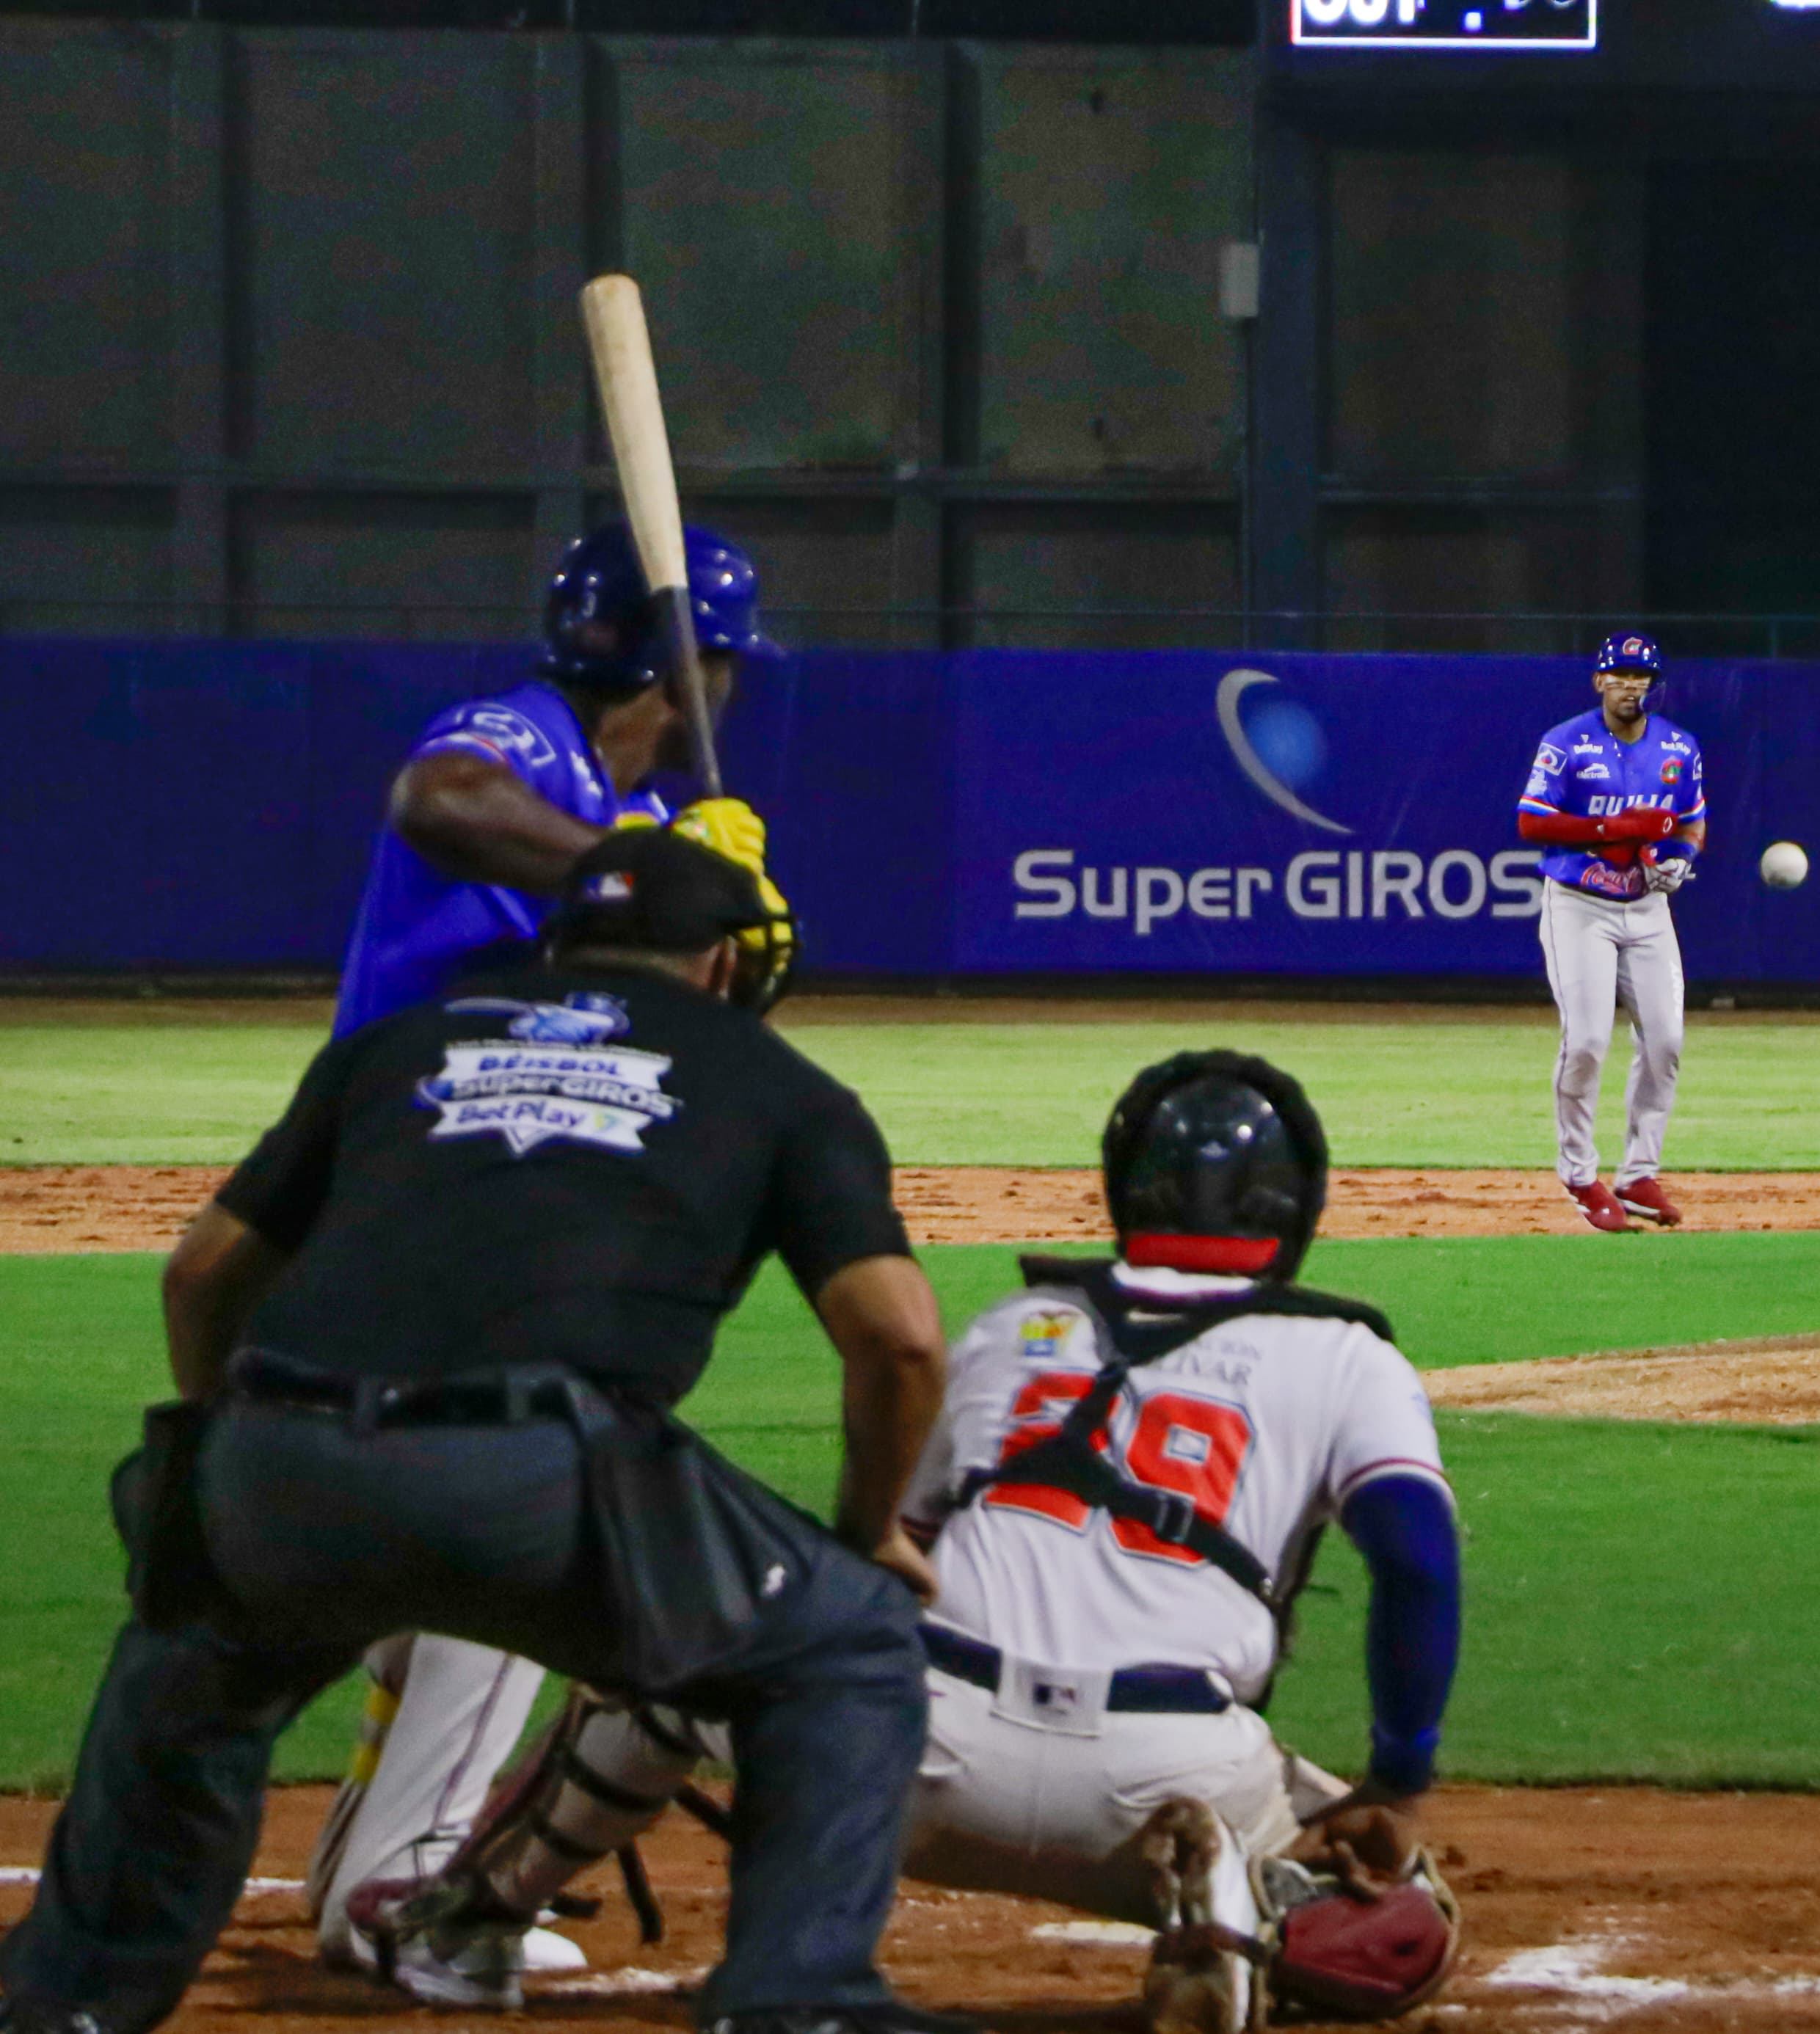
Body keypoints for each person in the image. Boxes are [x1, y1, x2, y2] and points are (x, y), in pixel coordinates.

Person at [0, 829, 951, 2034]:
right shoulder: (777, 1082)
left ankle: (68, 2003)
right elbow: (903, 1339)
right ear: (719, 963)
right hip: (536, 1478)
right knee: (848, 1642)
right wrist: (871, 1532)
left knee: (190, 1660)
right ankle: (798, 1999)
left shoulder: (402, 1039)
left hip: (284, 1452)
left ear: (564, 941)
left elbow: (200, 1276)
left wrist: (216, 1452)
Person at [376, 1052, 1466, 2034]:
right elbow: (1418, 1562)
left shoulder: (1010, 1330)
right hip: (1170, 1777)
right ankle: (1250, 1917)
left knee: (672, 1674)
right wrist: (1397, 1784)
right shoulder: (1347, 1358)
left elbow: (888, 1559)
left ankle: (469, 1926)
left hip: (912, 1760)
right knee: (1406, 1914)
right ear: (1299, 1204)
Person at [305, 519, 795, 1997]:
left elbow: (673, 1026)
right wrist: (636, 867)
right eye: (723, 666)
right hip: (402, 1211)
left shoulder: (631, 805)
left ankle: (366, 1860)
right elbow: (437, 798)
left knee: (428, 1553)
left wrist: (729, 948)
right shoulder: (522, 741)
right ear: (679, 665)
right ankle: (399, 1888)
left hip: (456, 1221)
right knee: (529, 1524)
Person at [1515, 633, 1707, 1233]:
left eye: (1641, 676)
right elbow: (1530, 820)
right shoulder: (1566, 743)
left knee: (1666, 1040)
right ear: (1600, 681)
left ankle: (1639, 1172)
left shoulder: (1678, 746)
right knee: (1589, 1042)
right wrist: (1612, 826)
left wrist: (1678, 857)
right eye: (1620, 674)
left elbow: (1693, 821)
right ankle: (1579, 1172)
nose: (1631, 685)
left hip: (1647, 907)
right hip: (1579, 905)